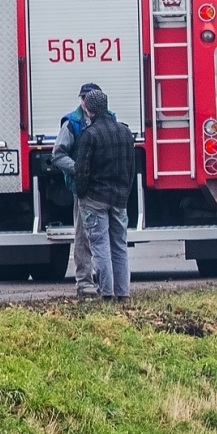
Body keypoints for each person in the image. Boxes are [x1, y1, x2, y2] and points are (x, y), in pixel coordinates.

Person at [72, 88, 134, 300]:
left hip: (95, 199)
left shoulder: (89, 135)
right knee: (119, 246)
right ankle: (123, 294)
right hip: (119, 199)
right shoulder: (125, 132)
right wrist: (125, 193)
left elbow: (82, 171)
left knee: (100, 247)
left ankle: (107, 294)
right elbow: (130, 168)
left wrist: (81, 195)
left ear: (88, 110)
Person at [52, 82, 109, 297]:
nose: (86, 101)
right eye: (84, 97)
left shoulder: (109, 119)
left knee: (107, 235)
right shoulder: (72, 123)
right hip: (83, 188)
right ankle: (84, 281)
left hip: (104, 186)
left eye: (90, 97)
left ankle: (106, 281)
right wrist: (78, 169)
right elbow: (58, 154)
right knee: (83, 235)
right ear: (80, 100)